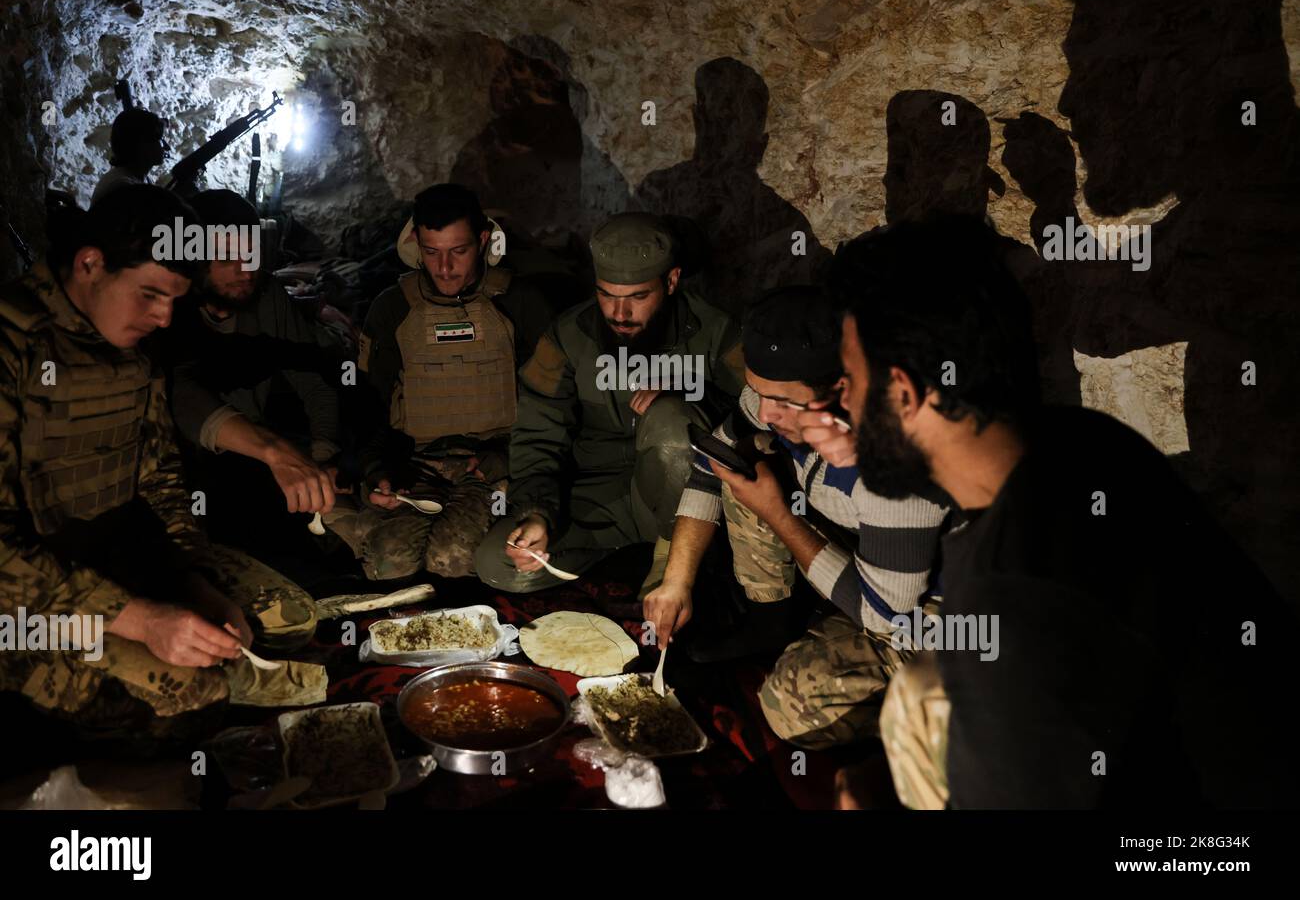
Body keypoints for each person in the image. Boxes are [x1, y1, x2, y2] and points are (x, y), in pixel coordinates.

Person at [825, 217, 1298, 808]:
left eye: (848, 378)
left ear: (903, 391)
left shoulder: (1017, 602)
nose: (839, 398)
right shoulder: (1084, 442)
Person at [0, 184, 316, 740]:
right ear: (90, 263)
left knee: (287, 617)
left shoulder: (135, 349)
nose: (165, 318)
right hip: (27, 603)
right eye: (150, 295)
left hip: (119, 555)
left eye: (175, 298)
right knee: (192, 692)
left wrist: (191, 582)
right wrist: (142, 620)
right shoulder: (13, 349)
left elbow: (162, 485)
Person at [644, 286, 952, 749]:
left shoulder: (896, 469)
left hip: (934, 614)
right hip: (864, 556)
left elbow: (886, 613)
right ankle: (773, 621)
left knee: (789, 706)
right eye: (758, 391)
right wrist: (677, 581)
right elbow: (714, 462)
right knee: (746, 467)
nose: (766, 412)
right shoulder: (780, 405)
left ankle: (942, 717)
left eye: (783, 401)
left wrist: (779, 514)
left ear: (841, 388)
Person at [475, 212, 745, 593]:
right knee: (497, 564)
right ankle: (621, 555)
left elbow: (764, 417)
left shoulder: (716, 332)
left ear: (670, 281)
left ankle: (672, 563)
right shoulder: (569, 335)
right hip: (595, 499)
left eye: (637, 297)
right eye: (607, 295)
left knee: (669, 421)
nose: (620, 314)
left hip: (687, 503)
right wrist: (537, 512)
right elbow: (538, 434)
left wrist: (691, 402)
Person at [323, 183, 553, 580]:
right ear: (416, 243)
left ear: (482, 241)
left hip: (492, 469)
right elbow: (367, 408)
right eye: (431, 252)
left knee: (453, 559)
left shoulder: (521, 303)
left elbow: (554, 407)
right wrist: (379, 471)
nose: (444, 268)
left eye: (458, 251)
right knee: (387, 563)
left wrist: (509, 458)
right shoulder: (392, 307)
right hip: (415, 466)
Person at [164, 189, 346, 560]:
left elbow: (314, 377)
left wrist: (321, 457)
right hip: (183, 468)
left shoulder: (267, 296)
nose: (244, 269)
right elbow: (181, 393)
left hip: (256, 461)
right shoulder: (167, 310)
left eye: (250, 254)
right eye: (228, 257)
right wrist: (277, 454)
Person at [91, 109, 169, 205]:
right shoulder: (123, 186)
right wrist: (180, 215)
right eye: (159, 140)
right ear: (141, 144)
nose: (166, 147)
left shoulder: (138, 178)